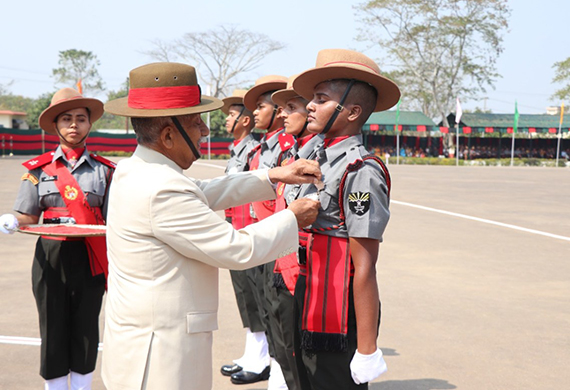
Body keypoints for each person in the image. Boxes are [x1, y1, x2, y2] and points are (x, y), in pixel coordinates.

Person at [100, 62, 321, 390]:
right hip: (160, 358)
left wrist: (271, 175)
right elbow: (237, 248)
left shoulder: (135, 170)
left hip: (142, 343)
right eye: (195, 123)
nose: (204, 131)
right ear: (168, 134)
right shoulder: (162, 187)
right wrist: (293, 217)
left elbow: (198, 194)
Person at [286, 49, 401, 389]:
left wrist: (367, 348)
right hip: (310, 288)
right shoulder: (317, 157)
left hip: (337, 301)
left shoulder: (360, 170)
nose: (309, 105)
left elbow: (364, 264)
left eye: (321, 99)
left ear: (352, 111)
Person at [0, 87, 115, 390]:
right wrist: (13, 220)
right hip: (50, 255)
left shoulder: (106, 171)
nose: (74, 125)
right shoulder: (38, 170)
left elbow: (113, 219)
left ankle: (81, 385)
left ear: (90, 125)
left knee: (86, 325)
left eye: (80, 118)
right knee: (52, 324)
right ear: (55, 126)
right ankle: (55, 387)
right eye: (66, 119)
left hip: (90, 254)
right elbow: (28, 216)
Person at [229, 75, 295, 388]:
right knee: (254, 301)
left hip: (271, 239)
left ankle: (270, 366)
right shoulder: (258, 151)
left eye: (262, 106)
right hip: (250, 232)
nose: (255, 112)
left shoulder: (285, 148)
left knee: (274, 310)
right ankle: (260, 359)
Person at [266, 74, 323, 390]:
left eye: (291, 106)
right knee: (281, 339)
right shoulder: (292, 154)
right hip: (279, 257)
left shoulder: (318, 157)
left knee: (300, 354)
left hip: (301, 267)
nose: (282, 114)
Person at [219, 89, 270, 379]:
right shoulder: (237, 149)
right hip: (236, 230)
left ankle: (261, 357)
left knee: (258, 296)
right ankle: (252, 351)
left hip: (251, 232)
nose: (227, 119)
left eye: (232, 113)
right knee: (245, 295)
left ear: (247, 119)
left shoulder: (256, 151)